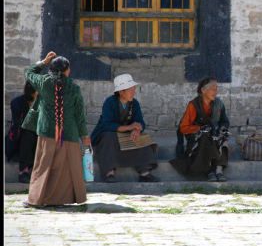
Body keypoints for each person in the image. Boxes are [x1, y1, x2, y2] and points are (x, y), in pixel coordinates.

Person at [24, 52, 89, 207]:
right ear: (67, 70)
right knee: (64, 170)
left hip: (47, 133)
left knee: (43, 166)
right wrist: (84, 135)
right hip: (69, 134)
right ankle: (59, 199)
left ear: (52, 69)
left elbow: (28, 72)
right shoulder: (74, 88)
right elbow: (79, 115)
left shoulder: (43, 82)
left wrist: (43, 62)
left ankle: (37, 199)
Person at [91, 74, 159, 183]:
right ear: (121, 92)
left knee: (142, 137)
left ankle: (144, 173)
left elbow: (140, 121)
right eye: (130, 90)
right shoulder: (110, 102)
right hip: (109, 135)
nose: (133, 92)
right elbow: (106, 124)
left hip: (125, 135)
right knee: (109, 136)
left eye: (133, 89)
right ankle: (109, 172)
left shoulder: (134, 103)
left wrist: (136, 129)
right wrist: (129, 127)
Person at [169, 77, 230, 181]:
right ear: (203, 90)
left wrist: (222, 129)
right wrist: (199, 128)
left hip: (214, 134)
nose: (216, 92)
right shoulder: (193, 105)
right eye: (213, 89)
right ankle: (210, 170)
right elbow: (183, 127)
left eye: (216, 89)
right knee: (205, 137)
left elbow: (224, 121)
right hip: (197, 137)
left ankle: (219, 170)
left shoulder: (219, 104)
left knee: (222, 138)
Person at [8, 82, 39, 183]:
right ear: (32, 92)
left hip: (39, 134)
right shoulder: (17, 103)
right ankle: (23, 171)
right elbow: (19, 125)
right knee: (28, 133)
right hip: (21, 136)